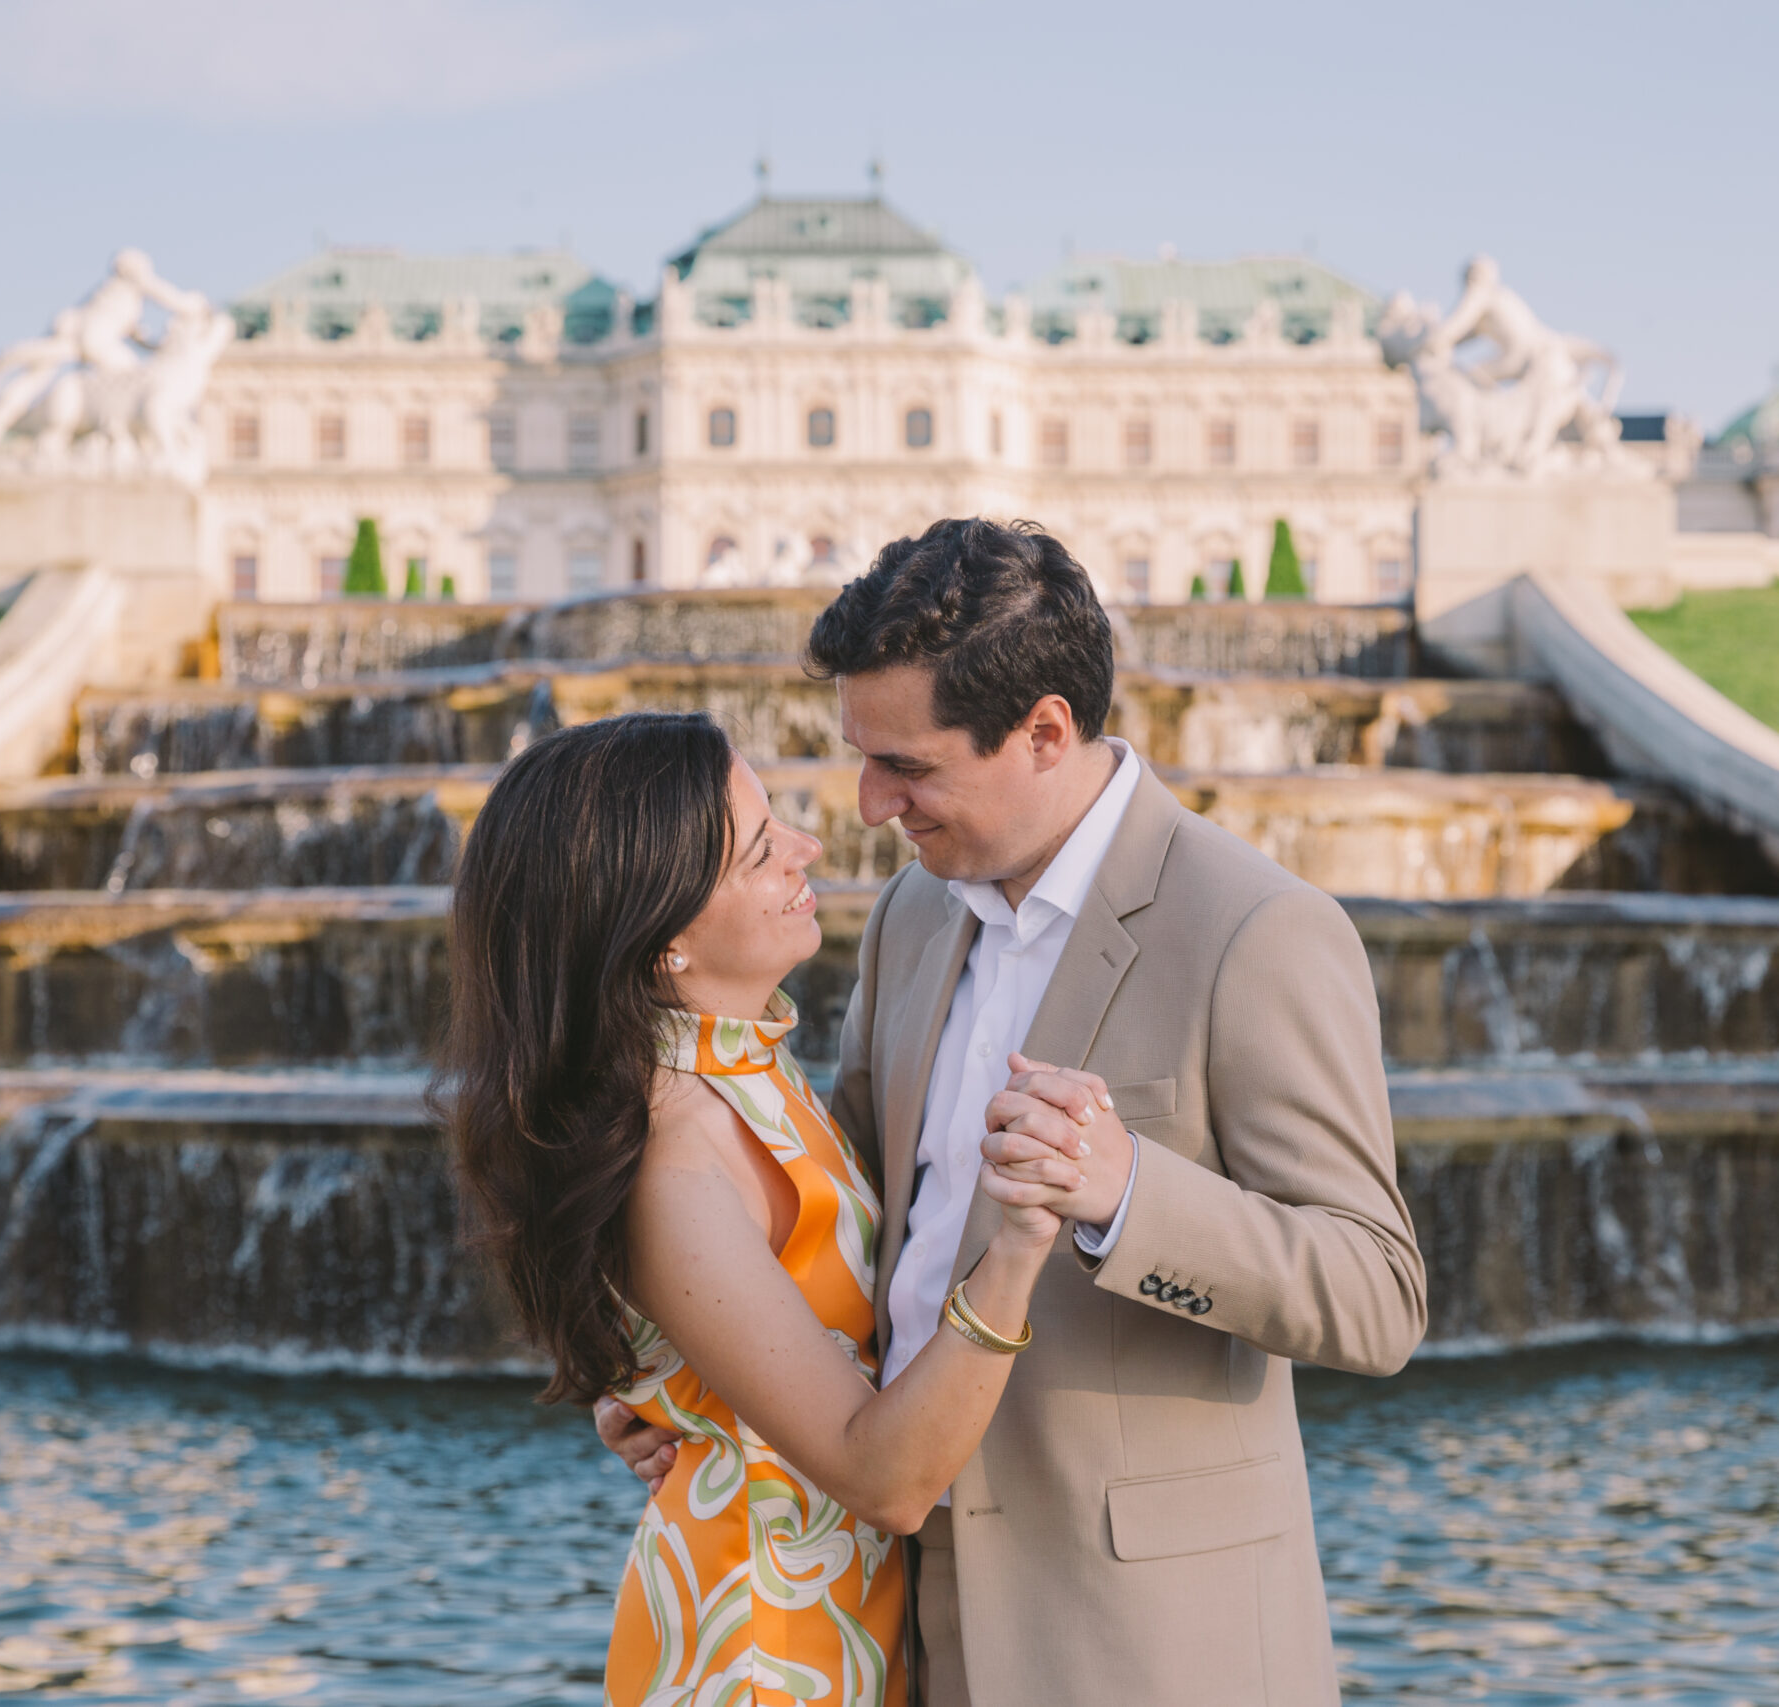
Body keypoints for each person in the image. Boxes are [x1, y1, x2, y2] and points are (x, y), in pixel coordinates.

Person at [599, 518, 1428, 1705]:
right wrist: (694, 1379)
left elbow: (1376, 1297)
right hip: (893, 1626)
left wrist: (1126, 1192)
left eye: (911, 768)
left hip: (1146, 1646)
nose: (872, 805)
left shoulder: (1256, 931)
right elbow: (837, 1226)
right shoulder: (912, 916)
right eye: (862, 757)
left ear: (1044, 731)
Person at [440, 710, 1086, 1707]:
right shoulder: (677, 1154)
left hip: (832, 1622)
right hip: (761, 1654)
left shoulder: (742, 1066)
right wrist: (1020, 1240)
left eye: (775, 819)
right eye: (757, 852)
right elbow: (887, 1480)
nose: (807, 847)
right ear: (661, 943)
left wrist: (679, 1395)